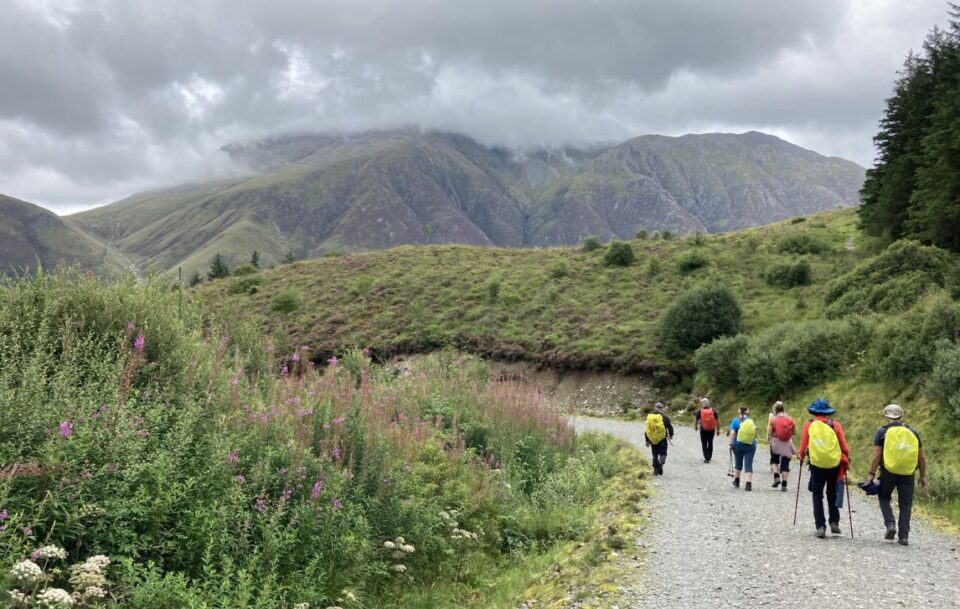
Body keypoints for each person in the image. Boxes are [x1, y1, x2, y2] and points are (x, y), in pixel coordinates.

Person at [866, 404, 927, 546]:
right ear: (901, 416)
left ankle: (890, 524)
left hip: (888, 472)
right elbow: (922, 457)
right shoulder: (913, 432)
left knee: (883, 497)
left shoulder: (882, 431)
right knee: (906, 504)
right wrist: (922, 476)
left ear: (886, 416)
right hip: (908, 473)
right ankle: (904, 536)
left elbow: (876, 457)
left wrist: (871, 474)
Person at [797, 399, 850, 538]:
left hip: (816, 464)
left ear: (813, 412)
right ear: (827, 412)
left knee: (817, 495)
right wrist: (846, 459)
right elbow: (844, 447)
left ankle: (820, 527)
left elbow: (803, 447)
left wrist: (801, 458)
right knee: (832, 493)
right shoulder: (835, 425)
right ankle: (834, 522)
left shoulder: (809, 425)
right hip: (834, 464)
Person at [767, 401, 796, 491]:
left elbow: (769, 433)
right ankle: (784, 485)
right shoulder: (790, 420)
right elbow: (794, 432)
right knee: (785, 463)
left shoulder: (773, 419)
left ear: (775, 410)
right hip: (787, 443)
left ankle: (776, 477)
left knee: (774, 461)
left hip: (775, 442)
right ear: (783, 409)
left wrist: (769, 440)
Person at [728, 407, 757, 491]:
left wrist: (730, 444)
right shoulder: (751, 421)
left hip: (738, 444)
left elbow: (732, 433)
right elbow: (755, 434)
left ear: (739, 413)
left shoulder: (735, 420)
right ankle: (748, 484)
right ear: (748, 413)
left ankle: (737, 481)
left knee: (738, 462)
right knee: (749, 464)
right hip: (751, 445)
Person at [645, 402, 675, 476]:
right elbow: (670, 427)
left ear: (655, 408)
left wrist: (647, 440)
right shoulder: (665, 418)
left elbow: (647, 430)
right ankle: (660, 465)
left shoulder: (650, 418)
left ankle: (655, 469)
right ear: (662, 408)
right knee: (663, 455)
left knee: (655, 455)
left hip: (653, 440)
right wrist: (671, 434)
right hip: (662, 440)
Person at [694, 397, 721, 463]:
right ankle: (710, 456)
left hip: (703, 429)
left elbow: (696, 420)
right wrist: (718, 430)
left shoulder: (700, 411)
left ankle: (706, 458)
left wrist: (696, 427)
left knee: (704, 443)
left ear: (702, 404)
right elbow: (717, 421)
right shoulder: (713, 411)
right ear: (708, 403)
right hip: (712, 429)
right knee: (710, 442)